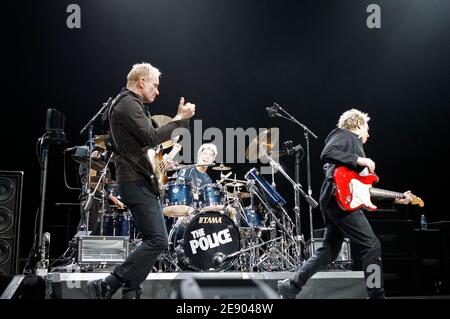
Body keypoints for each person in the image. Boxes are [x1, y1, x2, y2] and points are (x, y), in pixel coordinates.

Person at [278, 109, 412, 299]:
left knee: (329, 251)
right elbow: (327, 152)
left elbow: (362, 191)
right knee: (372, 245)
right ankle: (376, 295)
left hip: (336, 200)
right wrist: (360, 159)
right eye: (367, 128)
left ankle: (291, 286)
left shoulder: (354, 150)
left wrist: (396, 198)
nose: (369, 133)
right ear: (357, 125)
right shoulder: (345, 135)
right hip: (337, 198)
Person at [87, 62, 195, 299]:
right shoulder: (127, 104)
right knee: (158, 240)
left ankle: (131, 291)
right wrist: (182, 120)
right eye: (155, 86)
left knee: (152, 239)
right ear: (141, 82)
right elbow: (151, 135)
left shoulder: (133, 105)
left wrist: (178, 120)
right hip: (135, 182)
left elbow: (149, 143)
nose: (157, 92)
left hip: (139, 180)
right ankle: (108, 282)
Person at [78, 146, 124, 235]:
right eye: (102, 150)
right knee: (89, 230)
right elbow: (92, 182)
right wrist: (94, 160)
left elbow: (106, 184)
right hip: (92, 200)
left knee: (101, 231)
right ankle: (78, 247)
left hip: (103, 201)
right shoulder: (88, 163)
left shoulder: (104, 164)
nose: (104, 153)